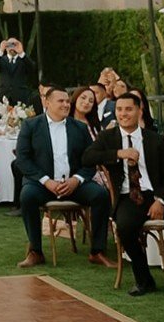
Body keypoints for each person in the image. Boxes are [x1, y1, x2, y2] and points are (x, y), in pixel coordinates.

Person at [84, 91, 164, 296]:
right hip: (129, 196)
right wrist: (119, 154)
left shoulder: (155, 139)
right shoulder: (108, 137)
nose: (123, 114)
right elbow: (87, 157)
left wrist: (161, 201)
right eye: (119, 109)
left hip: (156, 194)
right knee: (125, 228)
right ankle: (144, 279)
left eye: (128, 109)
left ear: (139, 111)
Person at [13, 86, 115, 269]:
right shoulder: (31, 125)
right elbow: (22, 159)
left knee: (100, 195)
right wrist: (46, 181)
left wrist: (76, 179)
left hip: (74, 184)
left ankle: (97, 251)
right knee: (27, 196)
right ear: (47, 103)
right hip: (42, 184)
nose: (66, 104)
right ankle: (35, 251)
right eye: (61, 101)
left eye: (68, 101)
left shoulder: (80, 128)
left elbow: (90, 160)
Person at [0, 38, 36, 106]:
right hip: (3, 96)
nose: (12, 47)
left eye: (14, 45)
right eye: (9, 45)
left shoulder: (23, 60)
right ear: (6, 47)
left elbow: (32, 68)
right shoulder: (1, 60)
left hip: (21, 97)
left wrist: (21, 53)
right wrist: (0, 51)